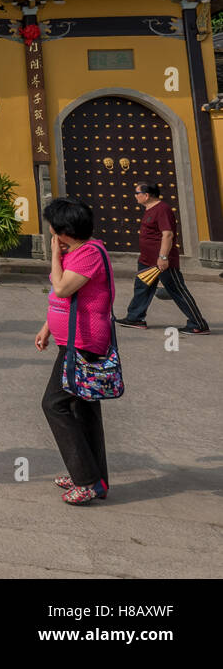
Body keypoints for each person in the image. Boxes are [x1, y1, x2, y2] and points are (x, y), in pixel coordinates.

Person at [35, 197, 115, 505]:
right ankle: (95, 477)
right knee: (83, 409)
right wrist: (47, 328)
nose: (51, 233)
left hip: (84, 344)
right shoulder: (79, 251)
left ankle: (86, 480)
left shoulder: (89, 254)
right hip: (71, 340)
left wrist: (54, 254)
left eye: (54, 229)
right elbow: (64, 300)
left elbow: (62, 288)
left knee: (54, 404)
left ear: (63, 230)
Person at [116, 182, 210, 334]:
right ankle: (135, 318)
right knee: (142, 288)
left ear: (146, 195)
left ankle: (198, 324)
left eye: (137, 192)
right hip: (147, 260)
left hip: (162, 262)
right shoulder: (149, 209)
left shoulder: (162, 209)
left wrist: (163, 257)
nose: (135, 196)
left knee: (177, 290)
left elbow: (168, 234)